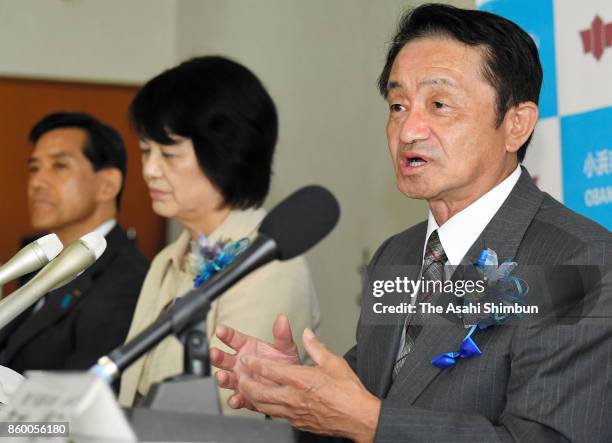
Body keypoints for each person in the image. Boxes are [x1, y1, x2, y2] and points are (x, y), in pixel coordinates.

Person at [210, 4, 612, 442]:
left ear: (516, 125)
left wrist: (370, 422)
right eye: (398, 105)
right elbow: (371, 400)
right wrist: (298, 391)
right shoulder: (396, 255)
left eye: (439, 104)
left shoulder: (575, 259)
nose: (407, 130)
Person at [117, 56, 320, 416]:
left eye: (168, 153)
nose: (149, 170)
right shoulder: (168, 259)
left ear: (225, 153)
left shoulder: (268, 266)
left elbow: (231, 418)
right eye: (146, 151)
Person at [0, 112, 148, 373]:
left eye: (59, 166)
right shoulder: (38, 255)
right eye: (34, 168)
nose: (37, 182)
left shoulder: (127, 280)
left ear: (108, 185)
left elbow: (83, 397)